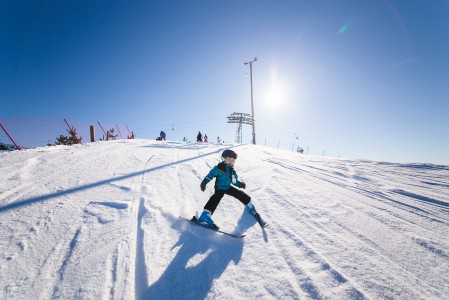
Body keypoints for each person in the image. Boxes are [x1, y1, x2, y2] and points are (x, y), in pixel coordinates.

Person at [198, 149, 267, 229]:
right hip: (219, 188)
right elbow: (210, 175)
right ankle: (205, 214)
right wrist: (204, 182)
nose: (230, 161)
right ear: (224, 159)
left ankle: (250, 204)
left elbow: (234, 181)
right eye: (229, 159)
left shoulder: (232, 171)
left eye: (232, 160)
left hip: (227, 187)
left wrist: (240, 184)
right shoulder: (219, 168)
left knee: (239, 193)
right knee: (217, 197)